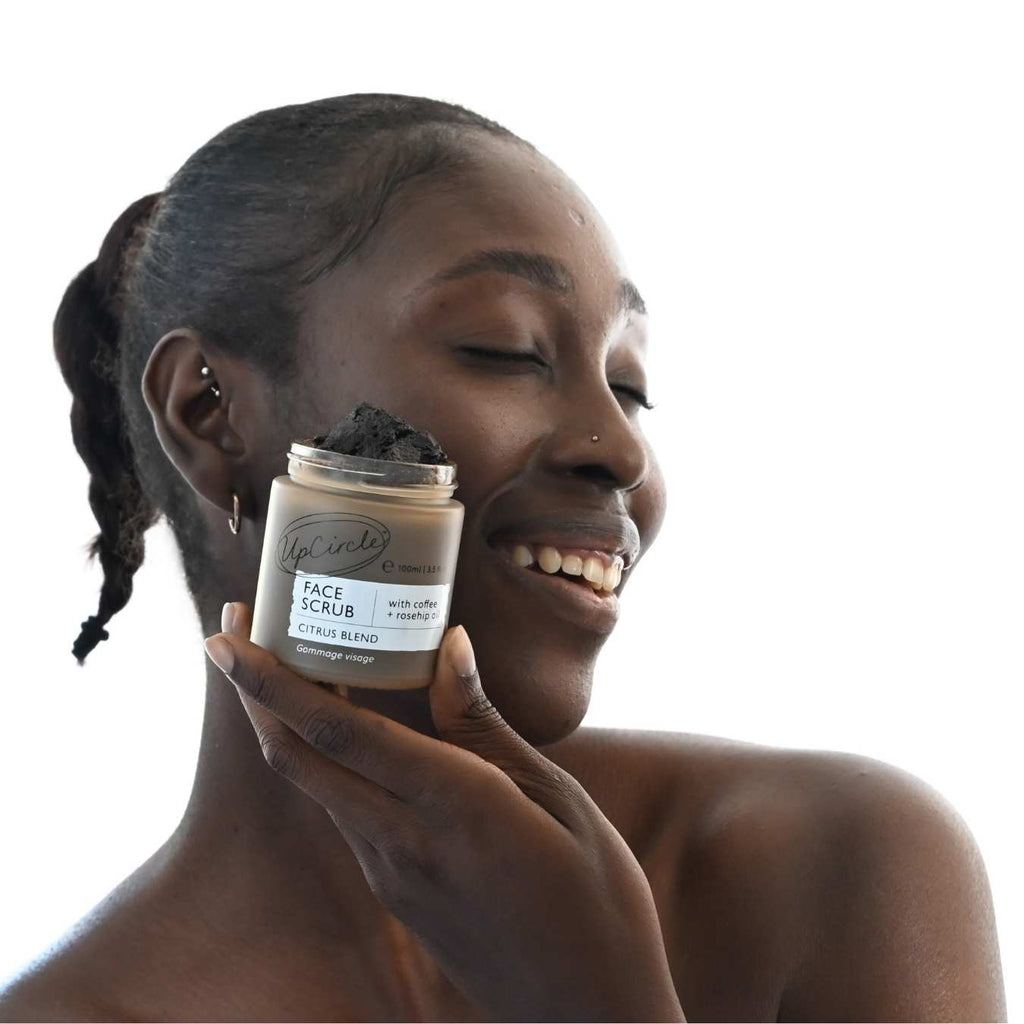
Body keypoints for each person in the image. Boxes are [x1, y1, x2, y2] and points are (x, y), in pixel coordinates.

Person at [0, 94, 1006, 1022]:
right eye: (505, 349)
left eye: (628, 382)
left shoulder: (830, 867)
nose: (620, 449)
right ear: (208, 409)